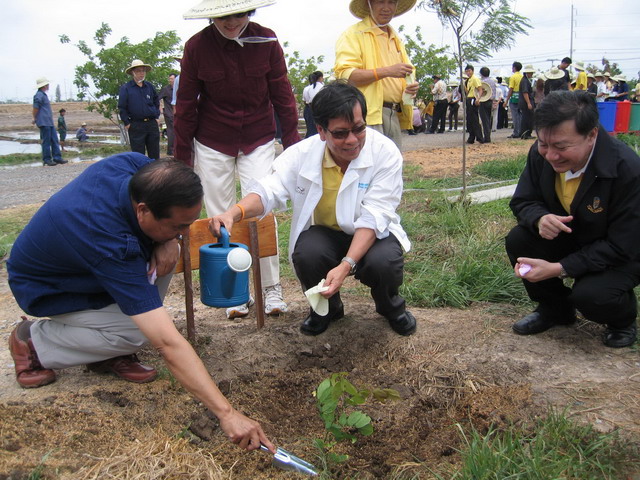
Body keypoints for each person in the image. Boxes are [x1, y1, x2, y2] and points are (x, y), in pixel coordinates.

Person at [7, 154, 275, 452]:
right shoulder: (109, 242)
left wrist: (168, 239)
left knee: (163, 266)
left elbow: (160, 178)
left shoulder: (135, 167)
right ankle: (34, 343)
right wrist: (227, 413)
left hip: (86, 266)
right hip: (50, 286)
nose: (185, 233)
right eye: (179, 226)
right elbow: (167, 344)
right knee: (136, 332)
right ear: (143, 210)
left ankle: (106, 352)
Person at [210, 81, 416, 337]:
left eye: (359, 129)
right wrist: (233, 213)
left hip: (372, 233)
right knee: (307, 254)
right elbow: (269, 189)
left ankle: (390, 307)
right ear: (321, 130)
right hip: (326, 232)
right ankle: (326, 310)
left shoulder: (385, 152)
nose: (352, 140)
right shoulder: (303, 154)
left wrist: (346, 265)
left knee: (383, 262)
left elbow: (375, 216)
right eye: (340, 133)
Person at [175, 0, 300, 319]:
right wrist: (182, 161)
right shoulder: (196, 47)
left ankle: (270, 287)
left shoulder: (267, 40)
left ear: (250, 11)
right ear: (211, 15)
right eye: (223, 16)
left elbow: (283, 96)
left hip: (258, 135)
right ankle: (234, 292)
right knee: (220, 214)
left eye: (239, 14)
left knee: (260, 206)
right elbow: (186, 104)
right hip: (212, 138)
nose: (231, 22)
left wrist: (294, 150)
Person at [506, 90, 640, 349]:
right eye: (543, 143)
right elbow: (523, 200)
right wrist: (540, 218)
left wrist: (560, 268)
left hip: (619, 254)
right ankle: (555, 310)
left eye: (561, 147)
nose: (550, 155)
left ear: (591, 135)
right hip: (574, 237)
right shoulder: (541, 153)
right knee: (520, 240)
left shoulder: (627, 170)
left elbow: (623, 245)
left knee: (592, 296)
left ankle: (622, 320)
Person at [334, 0, 419, 148]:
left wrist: (410, 87)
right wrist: (388, 71)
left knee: (392, 161)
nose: (386, 8)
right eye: (380, 1)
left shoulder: (396, 39)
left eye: (391, 2)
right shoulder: (354, 34)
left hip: (393, 113)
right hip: (366, 115)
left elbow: (405, 73)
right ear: (369, 4)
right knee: (368, 160)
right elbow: (346, 76)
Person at [118, 59, 161, 160]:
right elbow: (122, 107)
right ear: (133, 72)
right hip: (136, 125)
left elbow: (156, 101)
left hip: (151, 124)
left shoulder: (149, 86)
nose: (141, 73)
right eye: (138, 71)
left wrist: (156, 116)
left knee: (154, 155)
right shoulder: (126, 88)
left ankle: (154, 171)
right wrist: (127, 123)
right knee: (138, 156)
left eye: (143, 71)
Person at [32, 77, 66, 167]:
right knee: (46, 141)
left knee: (54, 140)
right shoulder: (39, 95)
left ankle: (57, 157)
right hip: (44, 122)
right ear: (44, 86)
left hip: (49, 122)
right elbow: (35, 108)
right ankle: (47, 159)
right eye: (47, 84)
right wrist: (34, 117)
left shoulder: (43, 95)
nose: (48, 86)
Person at [464, 64, 484, 144]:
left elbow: (480, 90)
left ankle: (480, 137)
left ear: (472, 71)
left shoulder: (475, 79)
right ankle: (471, 137)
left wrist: (478, 99)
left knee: (474, 119)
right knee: (469, 119)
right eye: (466, 71)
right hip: (469, 98)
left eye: (469, 71)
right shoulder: (468, 80)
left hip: (473, 98)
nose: (468, 73)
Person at [158, 73, 177, 156]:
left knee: (177, 131)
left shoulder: (179, 88)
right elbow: (157, 98)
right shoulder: (166, 89)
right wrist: (161, 109)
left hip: (178, 114)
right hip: (169, 113)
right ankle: (170, 150)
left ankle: (176, 149)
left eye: (172, 79)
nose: (170, 80)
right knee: (171, 131)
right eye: (169, 79)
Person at [302, 71, 325, 137]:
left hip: (310, 108)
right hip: (321, 108)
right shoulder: (324, 87)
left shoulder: (307, 88)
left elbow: (305, 101)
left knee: (311, 130)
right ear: (320, 78)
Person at [504, 62, 523, 139]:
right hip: (521, 97)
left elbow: (511, 89)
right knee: (520, 116)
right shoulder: (522, 76)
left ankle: (516, 132)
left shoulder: (513, 77)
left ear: (514, 68)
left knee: (515, 116)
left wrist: (507, 100)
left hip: (514, 97)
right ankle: (521, 131)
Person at [478, 66, 496, 142]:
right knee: (488, 119)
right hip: (490, 101)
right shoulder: (492, 82)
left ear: (481, 74)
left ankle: (487, 137)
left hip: (483, 101)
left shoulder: (481, 82)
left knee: (484, 120)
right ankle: (488, 135)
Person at [518, 65, 535, 140]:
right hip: (525, 102)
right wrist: (528, 103)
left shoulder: (526, 80)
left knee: (528, 118)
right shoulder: (524, 81)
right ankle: (525, 133)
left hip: (526, 102)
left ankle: (526, 133)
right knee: (526, 118)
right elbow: (525, 92)